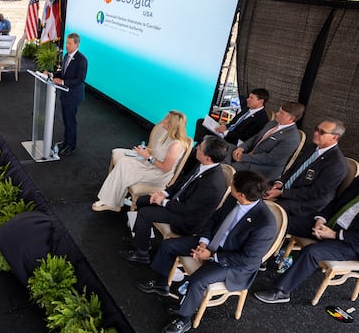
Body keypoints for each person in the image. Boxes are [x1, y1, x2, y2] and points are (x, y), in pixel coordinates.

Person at [136, 171, 276, 333]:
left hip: (234, 263)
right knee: (169, 246)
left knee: (198, 279)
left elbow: (248, 259)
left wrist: (211, 256)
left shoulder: (265, 224)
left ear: (241, 194)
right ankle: (161, 284)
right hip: (213, 243)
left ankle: (184, 319)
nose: (229, 185)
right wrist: (204, 242)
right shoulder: (234, 198)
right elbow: (215, 219)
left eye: (232, 184)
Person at [120, 136, 230, 265]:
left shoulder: (213, 184)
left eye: (200, 148)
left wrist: (162, 201)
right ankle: (143, 239)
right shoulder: (203, 165)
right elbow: (182, 183)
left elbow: (188, 209)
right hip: (178, 203)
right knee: (143, 200)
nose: (197, 148)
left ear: (208, 158)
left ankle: (142, 253)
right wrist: (164, 193)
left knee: (145, 213)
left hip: (187, 219)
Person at [254, 176, 359, 304]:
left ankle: (281, 291)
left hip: (351, 242)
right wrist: (321, 219)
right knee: (284, 222)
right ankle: (255, 257)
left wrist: (335, 234)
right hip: (332, 225)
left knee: (311, 253)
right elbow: (337, 201)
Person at [93, 110, 188, 211]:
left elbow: (166, 168)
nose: (163, 121)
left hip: (158, 175)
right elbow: (159, 153)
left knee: (124, 166)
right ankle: (113, 202)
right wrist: (147, 151)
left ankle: (112, 203)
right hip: (152, 166)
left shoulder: (176, 145)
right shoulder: (167, 136)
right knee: (124, 162)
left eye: (165, 119)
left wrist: (148, 157)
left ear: (171, 125)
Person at [264, 119, 346, 216]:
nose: (316, 133)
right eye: (316, 129)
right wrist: (279, 183)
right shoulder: (311, 148)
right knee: (252, 189)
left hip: (306, 203)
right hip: (288, 189)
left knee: (266, 210)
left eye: (322, 132)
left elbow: (314, 193)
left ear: (334, 137)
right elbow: (293, 169)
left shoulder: (336, 164)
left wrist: (282, 192)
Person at [229, 102, 305, 180]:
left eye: (281, 113)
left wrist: (243, 157)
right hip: (250, 154)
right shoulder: (273, 123)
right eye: (278, 111)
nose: (277, 114)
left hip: (263, 168)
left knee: (228, 168)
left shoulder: (292, 138)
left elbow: (270, 158)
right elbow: (256, 137)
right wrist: (242, 148)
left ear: (291, 119)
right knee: (224, 149)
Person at [45, 33, 88, 157]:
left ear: (76, 44)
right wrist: (52, 74)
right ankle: (66, 142)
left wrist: (63, 82)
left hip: (73, 95)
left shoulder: (82, 60)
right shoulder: (66, 56)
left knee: (70, 121)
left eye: (69, 43)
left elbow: (80, 79)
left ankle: (71, 146)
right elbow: (63, 73)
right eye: (66, 43)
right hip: (64, 93)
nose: (67, 46)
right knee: (66, 119)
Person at [194, 88, 270, 145]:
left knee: (204, 136)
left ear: (260, 101)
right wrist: (225, 126)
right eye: (248, 97)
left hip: (232, 140)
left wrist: (226, 132)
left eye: (251, 98)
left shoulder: (261, 119)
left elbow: (244, 138)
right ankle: (200, 145)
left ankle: (201, 146)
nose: (247, 99)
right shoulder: (247, 108)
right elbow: (233, 123)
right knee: (201, 122)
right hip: (226, 132)